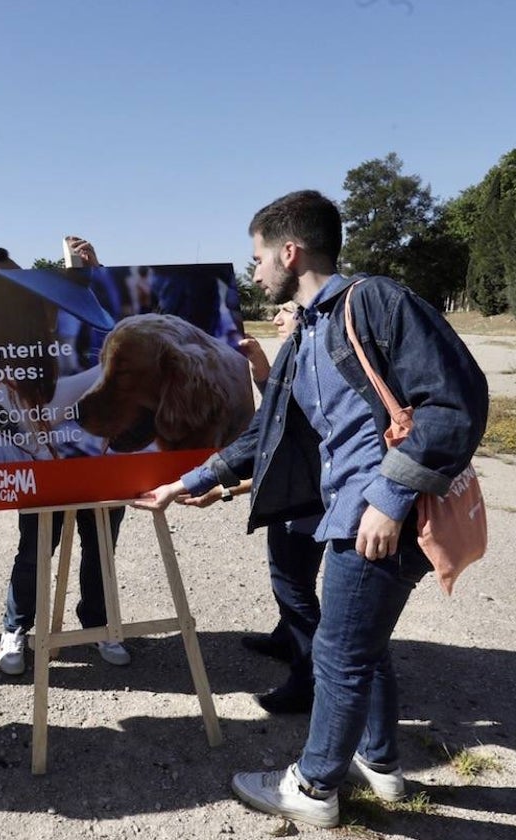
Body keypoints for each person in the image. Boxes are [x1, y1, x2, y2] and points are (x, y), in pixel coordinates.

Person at [138, 190, 488, 828]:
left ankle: (314, 786)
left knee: (337, 652)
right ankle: (380, 765)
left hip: (380, 518)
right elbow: (268, 431)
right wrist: (190, 480)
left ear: (289, 251)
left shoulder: (375, 301)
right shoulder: (312, 330)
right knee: (365, 644)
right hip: (353, 512)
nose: (254, 271)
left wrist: (388, 497)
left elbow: (455, 401)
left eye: (257, 257)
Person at [0, 241, 130, 676]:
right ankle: (16, 627)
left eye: (21, 277)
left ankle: (98, 624)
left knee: (101, 547)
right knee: (36, 548)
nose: (22, 290)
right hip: (43, 470)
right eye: (5, 283)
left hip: (95, 464)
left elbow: (116, 344)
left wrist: (92, 273)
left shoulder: (52, 320)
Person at [194, 302, 324, 715]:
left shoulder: (312, 360)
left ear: (308, 314)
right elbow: (285, 416)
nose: (276, 318)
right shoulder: (304, 355)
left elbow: (282, 439)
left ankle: (309, 679)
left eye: (286, 310)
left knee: (293, 586)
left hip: (306, 502)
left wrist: (220, 486)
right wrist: (263, 374)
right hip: (299, 497)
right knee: (293, 577)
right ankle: (286, 638)